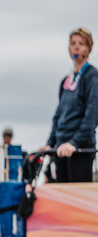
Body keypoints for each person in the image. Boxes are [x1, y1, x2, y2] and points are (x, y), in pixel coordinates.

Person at [40, 27, 98, 184]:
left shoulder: (92, 77)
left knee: (77, 198)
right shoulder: (65, 80)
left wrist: (74, 143)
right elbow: (58, 115)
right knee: (61, 195)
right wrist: (49, 143)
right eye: (73, 43)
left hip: (80, 149)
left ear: (89, 48)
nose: (76, 47)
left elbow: (92, 116)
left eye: (81, 43)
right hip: (60, 149)